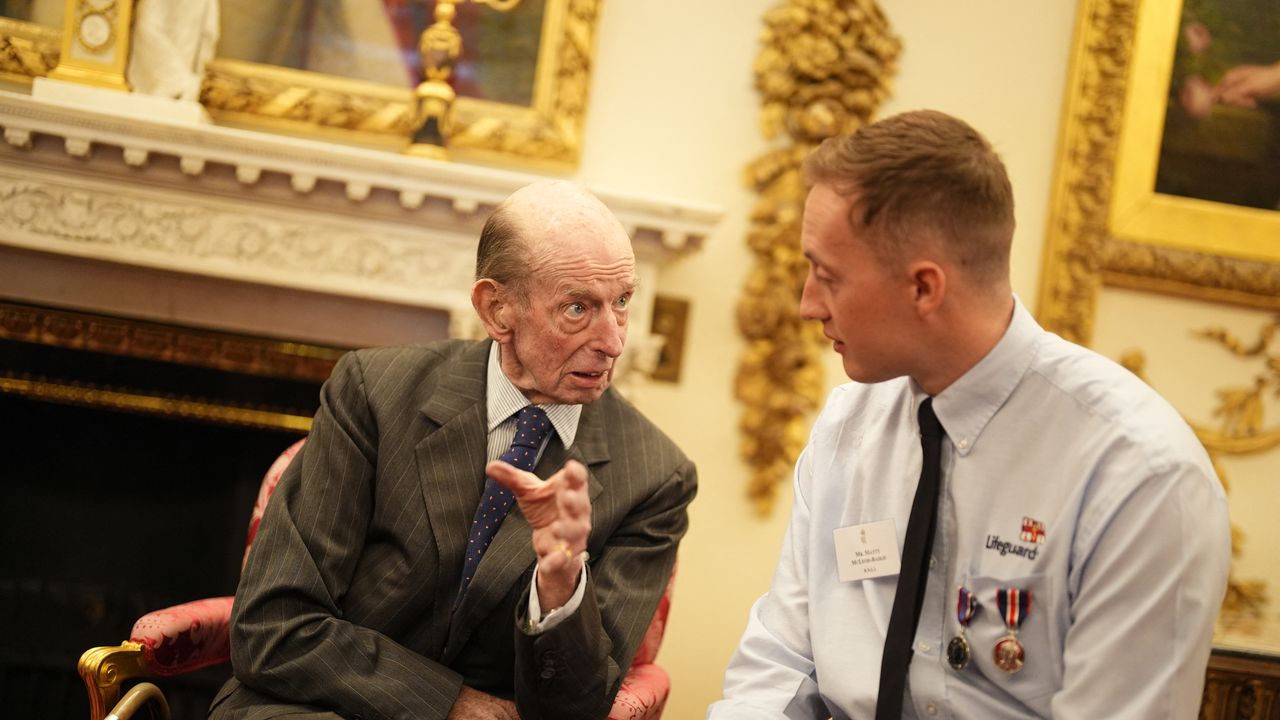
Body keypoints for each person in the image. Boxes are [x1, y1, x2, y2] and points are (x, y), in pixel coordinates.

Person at [708, 110, 1230, 719]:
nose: (807, 306)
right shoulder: (851, 425)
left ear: (925, 288)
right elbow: (779, 664)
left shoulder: (1140, 475)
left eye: (827, 276)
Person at [210, 180, 697, 720]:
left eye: (622, 302)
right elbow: (271, 624)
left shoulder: (654, 476)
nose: (614, 341)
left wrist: (559, 583)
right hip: (310, 707)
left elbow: (574, 710)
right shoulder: (376, 392)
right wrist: (450, 706)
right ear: (497, 310)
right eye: (578, 308)